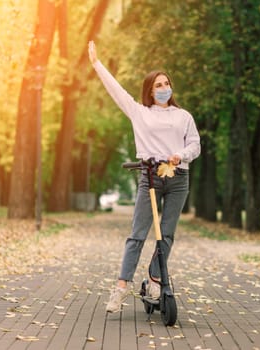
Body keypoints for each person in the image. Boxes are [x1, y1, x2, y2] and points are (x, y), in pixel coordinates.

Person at [88, 41, 201, 313]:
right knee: (137, 235)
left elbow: (195, 145)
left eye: (166, 84)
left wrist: (180, 154)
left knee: (167, 234)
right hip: (149, 177)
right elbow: (116, 91)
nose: (164, 89)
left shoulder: (184, 116)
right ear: (150, 91)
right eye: (158, 85)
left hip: (177, 178)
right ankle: (121, 287)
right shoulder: (139, 112)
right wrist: (96, 64)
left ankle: (154, 278)